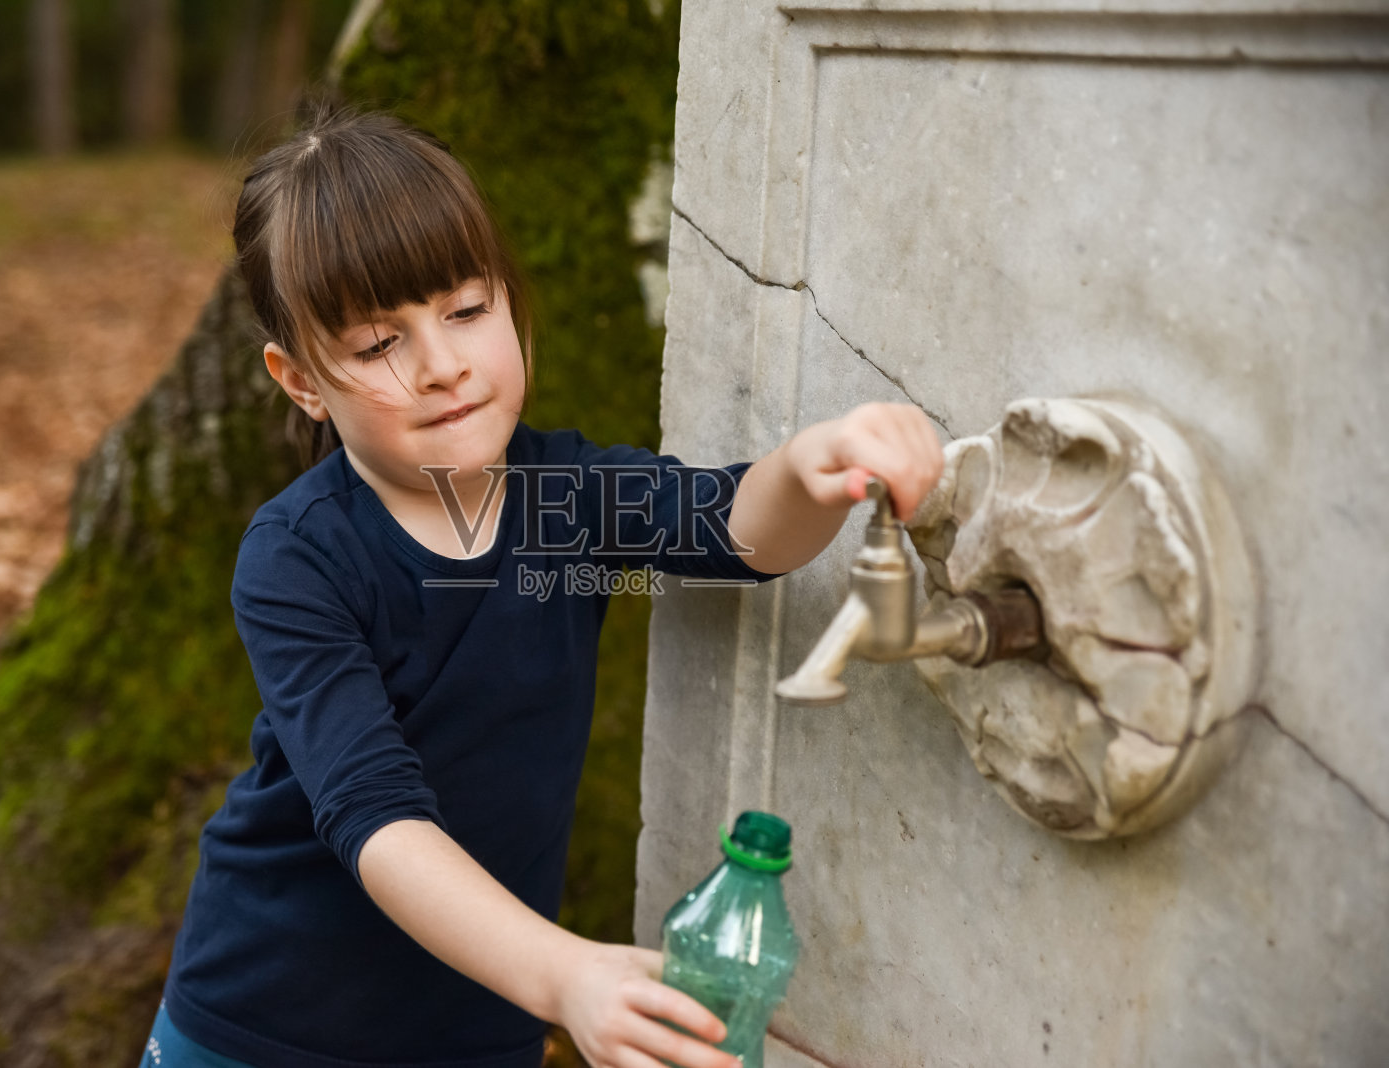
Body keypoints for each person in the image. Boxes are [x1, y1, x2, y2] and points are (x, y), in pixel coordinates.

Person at [141, 101, 943, 1068]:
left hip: (482, 1029)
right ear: (302, 379)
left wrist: (822, 461)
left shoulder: (575, 496)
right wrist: (568, 976)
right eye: (376, 344)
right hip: (267, 1026)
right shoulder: (298, 557)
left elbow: (737, 531)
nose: (442, 366)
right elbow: (375, 817)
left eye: (467, 311)